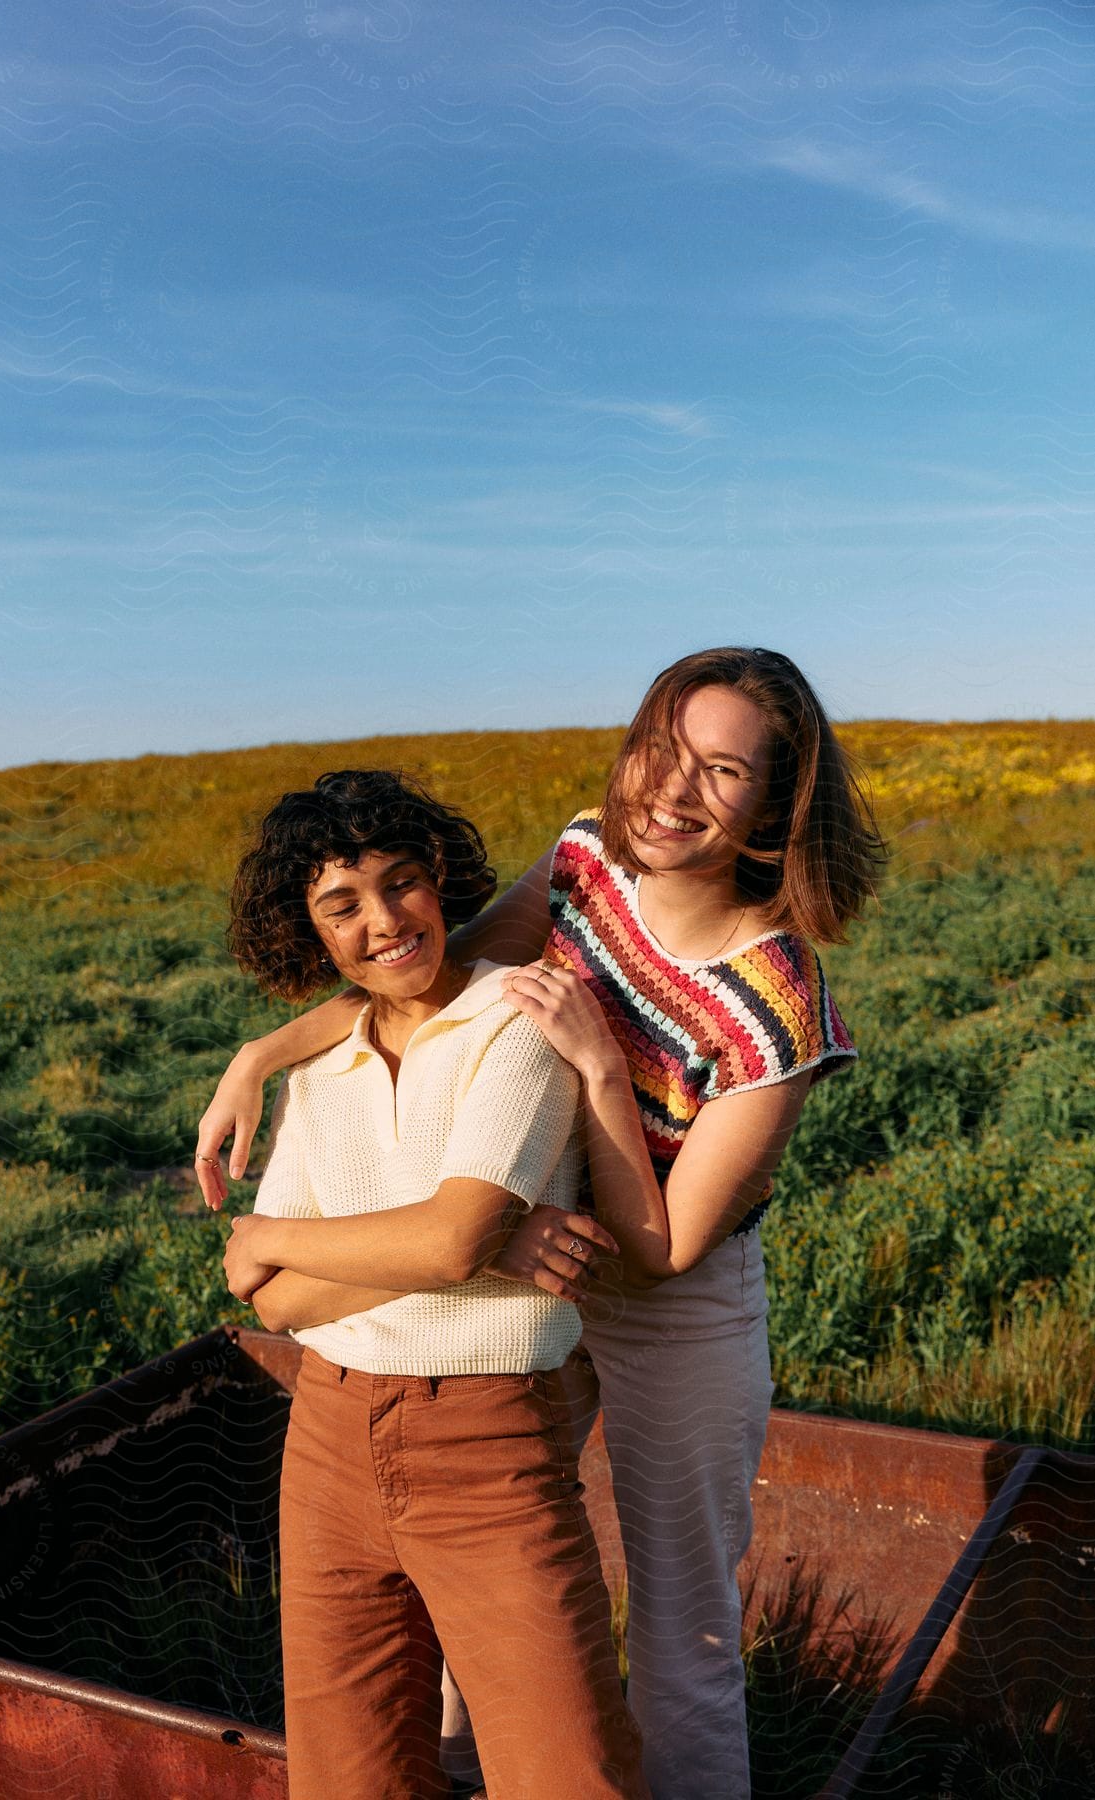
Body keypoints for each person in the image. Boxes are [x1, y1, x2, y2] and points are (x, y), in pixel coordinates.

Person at [199, 648, 884, 1800]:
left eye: (720, 772)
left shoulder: (777, 996)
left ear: (775, 806)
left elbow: (664, 1250)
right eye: (660, 753)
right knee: (488, 1587)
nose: (671, 792)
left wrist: (597, 1070)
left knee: (682, 1626)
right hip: (536, 1264)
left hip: (677, 1302)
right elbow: (434, 972)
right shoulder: (583, 861)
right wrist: (259, 1056)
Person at [215, 768, 648, 1800]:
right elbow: (276, 1305)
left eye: (401, 883)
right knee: (348, 1773)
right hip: (325, 1437)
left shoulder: (520, 1019)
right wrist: (482, 1241)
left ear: (440, 877)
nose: (384, 922)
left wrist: (271, 1231)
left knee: (568, 1770)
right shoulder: (323, 1067)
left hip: (488, 1443)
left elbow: (442, 1239)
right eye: (342, 906)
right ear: (308, 931)